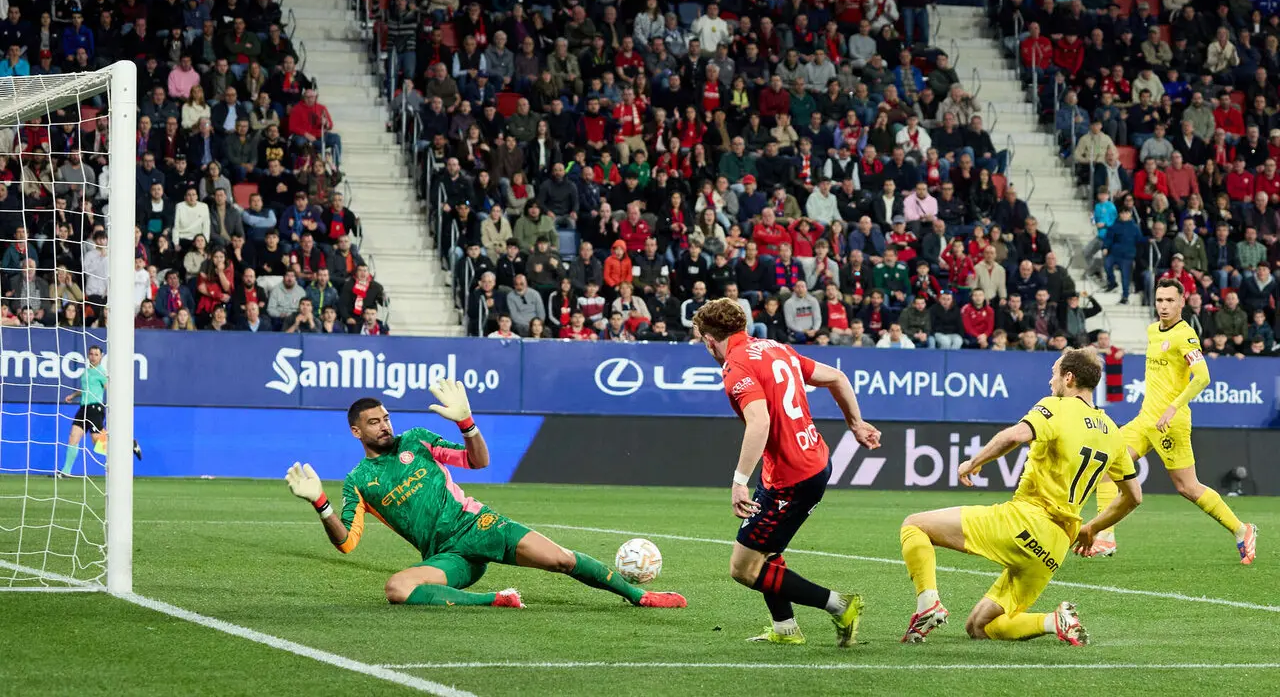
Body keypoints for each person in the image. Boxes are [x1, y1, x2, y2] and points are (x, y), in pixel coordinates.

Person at [284, 386, 687, 610]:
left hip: (479, 525)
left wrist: (466, 423)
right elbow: (347, 543)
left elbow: (477, 461)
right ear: (357, 433)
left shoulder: (418, 440)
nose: (385, 426)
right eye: (374, 423)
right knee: (397, 589)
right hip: (447, 557)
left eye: (386, 417)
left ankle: (640, 595)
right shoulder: (358, 481)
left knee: (562, 559)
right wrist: (321, 505)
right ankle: (494, 599)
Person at [899, 348, 1139, 645]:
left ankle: (928, 604)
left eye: (1054, 374)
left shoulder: (1058, 407)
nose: (1050, 382)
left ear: (1069, 377)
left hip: (1024, 521)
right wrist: (1092, 528)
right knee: (979, 626)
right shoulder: (1113, 433)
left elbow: (1013, 436)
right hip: (1056, 546)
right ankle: (1054, 621)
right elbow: (1134, 496)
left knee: (914, 525)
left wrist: (973, 462)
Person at [691, 298, 880, 646]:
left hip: (793, 477)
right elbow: (836, 377)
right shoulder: (775, 348)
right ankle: (785, 628)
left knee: (744, 568)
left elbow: (759, 421)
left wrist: (738, 482)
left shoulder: (736, 366)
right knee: (767, 549)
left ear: (708, 339)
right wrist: (855, 424)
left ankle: (840, 605)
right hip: (807, 460)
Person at [1083, 279, 1258, 564]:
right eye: (1159, 300)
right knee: (1106, 463)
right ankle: (1106, 537)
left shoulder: (1186, 336)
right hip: (1145, 420)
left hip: (1170, 424)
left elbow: (1203, 377)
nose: (1163, 306)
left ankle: (1242, 529)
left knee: (1187, 488)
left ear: (1182, 302)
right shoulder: (1153, 331)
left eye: (1169, 301)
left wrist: (1173, 408)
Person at [59, 345, 141, 478]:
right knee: (73, 437)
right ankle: (66, 471)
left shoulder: (102, 372)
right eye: (91, 354)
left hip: (95, 408)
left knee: (97, 441)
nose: (93, 357)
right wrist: (73, 396)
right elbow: (85, 389)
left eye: (96, 354)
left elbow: (109, 388)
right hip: (83, 408)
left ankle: (128, 444)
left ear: (101, 356)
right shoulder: (86, 372)